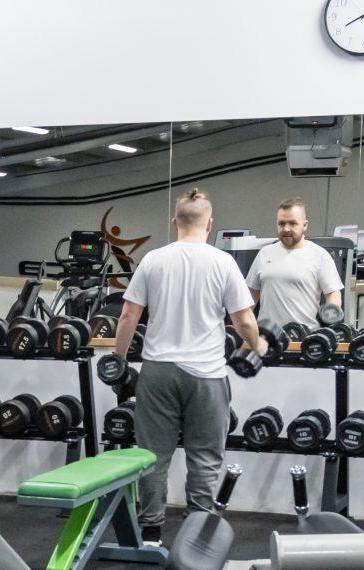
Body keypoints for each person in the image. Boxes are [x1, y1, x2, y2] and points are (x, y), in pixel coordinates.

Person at [110, 189, 266, 546]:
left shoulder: (152, 260)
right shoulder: (223, 262)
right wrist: (257, 344)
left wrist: (119, 361)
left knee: (152, 456)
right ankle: (197, 533)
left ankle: (151, 533)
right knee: (205, 457)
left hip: (158, 372)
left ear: (174, 222)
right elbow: (243, 320)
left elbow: (128, 314)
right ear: (210, 224)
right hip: (206, 375)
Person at [245, 197, 343, 329]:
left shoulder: (319, 255)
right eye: (281, 223)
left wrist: (329, 323)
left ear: (305, 225)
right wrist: (241, 326)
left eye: (292, 223)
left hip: (305, 335)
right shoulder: (264, 253)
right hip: (267, 336)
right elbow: (250, 295)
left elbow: (333, 294)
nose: (286, 229)